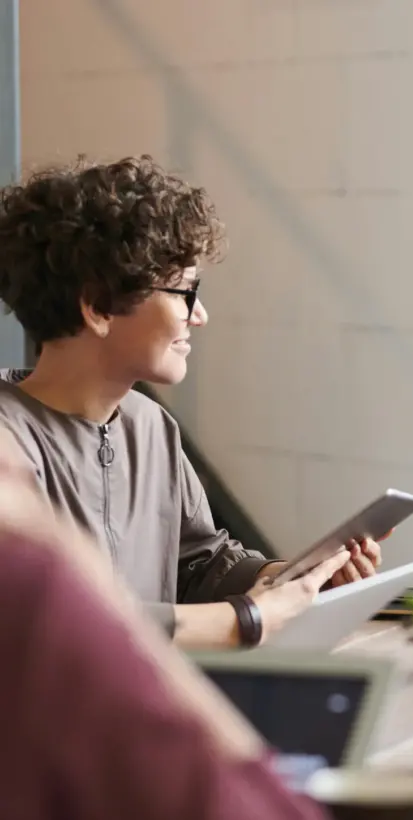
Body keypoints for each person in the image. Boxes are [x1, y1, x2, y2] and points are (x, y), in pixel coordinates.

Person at [0, 156, 381, 648]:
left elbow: (199, 563)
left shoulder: (150, 425)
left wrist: (297, 578)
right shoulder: (9, 443)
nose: (199, 315)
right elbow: (58, 626)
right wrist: (248, 618)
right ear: (96, 307)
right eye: (184, 291)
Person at [0, 426, 327, 819]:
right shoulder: (29, 565)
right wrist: (241, 620)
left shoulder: (153, 423)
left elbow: (202, 555)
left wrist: (286, 576)